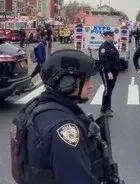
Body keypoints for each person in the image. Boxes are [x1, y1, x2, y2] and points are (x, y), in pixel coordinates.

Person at [11, 49, 102, 184]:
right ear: (66, 83)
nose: (91, 86)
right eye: (86, 80)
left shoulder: (38, 107)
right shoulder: (64, 128)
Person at [98, 30, 120, 114]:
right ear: (106, 37)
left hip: (114, 70)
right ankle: (106, 109)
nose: (112, 37)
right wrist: (108, 72)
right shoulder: (103, 47)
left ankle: (104, 108)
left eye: (113, 36)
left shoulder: (111, 45)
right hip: (107, 71)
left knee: (109, 89)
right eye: (111, 36)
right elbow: (104, 61)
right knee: (107, 89)